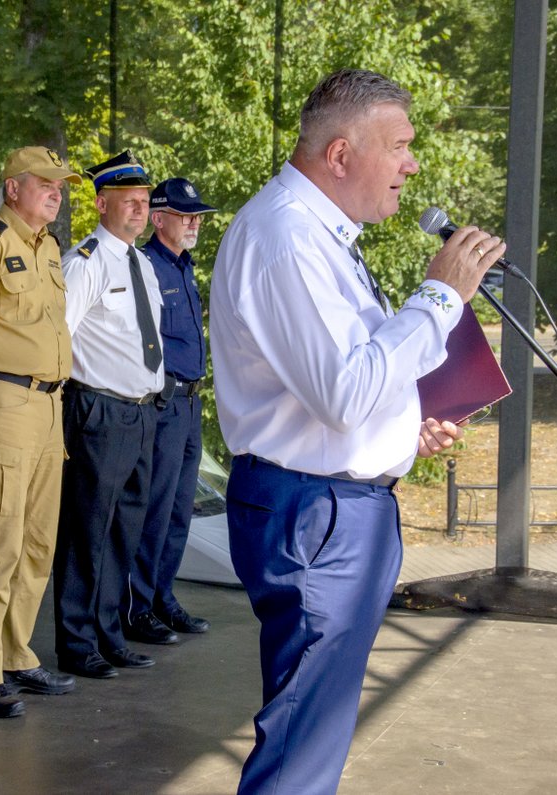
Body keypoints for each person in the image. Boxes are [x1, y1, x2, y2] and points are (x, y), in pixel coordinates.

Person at [209, 68, 503, 793]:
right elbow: (345, 392)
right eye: (399, 146)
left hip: (332, 507)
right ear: (340, 155)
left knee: (314, 731)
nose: (411, 165)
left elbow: (349, 380)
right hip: (314, 515)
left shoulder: (319, 235)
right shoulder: (286, 238)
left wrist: (405, 428)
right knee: (302, 748)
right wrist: (438, 296)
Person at [0, 147, 81, 718]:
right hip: (4, 400)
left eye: (61, 186)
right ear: (12, 189)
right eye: (46, 184)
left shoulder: (49, 246)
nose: (57, 193)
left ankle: (16, 655)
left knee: (37, 542)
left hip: (50, 406)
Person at [54, 150, 166, 680]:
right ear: (102, 203)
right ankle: (76, 643)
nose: (140, 211)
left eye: (144, 202)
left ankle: (108, 633)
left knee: (124, 529)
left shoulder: (140, 263)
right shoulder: (86, 261)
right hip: (99, 410)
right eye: (129, 202)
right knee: (87, 531)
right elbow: (59, 340)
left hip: (142, 412)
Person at [122, 177, 216, 647]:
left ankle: (162, 597)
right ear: (159, 219)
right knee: (155, 510)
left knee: (180, 510)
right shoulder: (147, 266)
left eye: (197, 215)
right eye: (185, 215)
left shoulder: (183, 266)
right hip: (164, 401)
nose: (194, 222)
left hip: (191, 401)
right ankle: (137, 607)